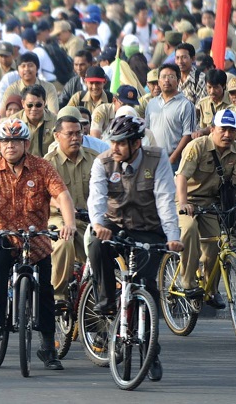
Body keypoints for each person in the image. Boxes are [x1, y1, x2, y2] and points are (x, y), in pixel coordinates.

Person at [0, 117, 77, 370]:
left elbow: (62, 195)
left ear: (26, 143)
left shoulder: (42, 167)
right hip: (0, 235)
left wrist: (69, 223)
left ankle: (47, 346)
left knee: (44, 288)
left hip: (35, 237)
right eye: (5, 141)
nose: (10, 146)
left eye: (16, 141)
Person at [87, 115, 183, 381]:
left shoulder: (157, 158)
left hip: (149, 230)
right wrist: (98, 224)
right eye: (113, 142)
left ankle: (151, 352)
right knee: (97, 246)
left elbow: (165, 198)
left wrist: (173, 237)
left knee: (147, 286)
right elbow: (96, 198)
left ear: (136, 143)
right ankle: (106, 303)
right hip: (114, 226)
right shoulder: (103, 162)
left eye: (120, 143)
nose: (114, 148)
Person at [175, 110, 236, 303]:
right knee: (189, 231)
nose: (228, 135)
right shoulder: (196, 146)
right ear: (212, 129)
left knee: (215, 246)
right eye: (223, 129)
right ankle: (188, 283)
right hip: (187, 199)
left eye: (232, 130)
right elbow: (181, 177)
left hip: (212, 203)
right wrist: (183, 203)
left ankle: (211, 290)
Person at [45, 115, 98, 303]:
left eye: (79, 133)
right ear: (57, 136)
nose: (75, 137)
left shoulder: (95, 159)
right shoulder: (48, 162)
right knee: (63, 241)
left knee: (100, 251)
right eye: (70, 134)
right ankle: (57, 296)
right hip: (56, 219)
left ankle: (94, 301)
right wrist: (62, 205)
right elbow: (45, 196)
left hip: (87, 220)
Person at [145, 63, 195, 168]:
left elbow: (188, 135)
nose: (166, 80)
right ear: (158, 81)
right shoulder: (151, 104)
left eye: (171, 77)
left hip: (174, 161)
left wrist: (172, 158)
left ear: (178, 81)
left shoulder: (186, 105)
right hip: (152, 159)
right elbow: (147, 130)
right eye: (163, 77)